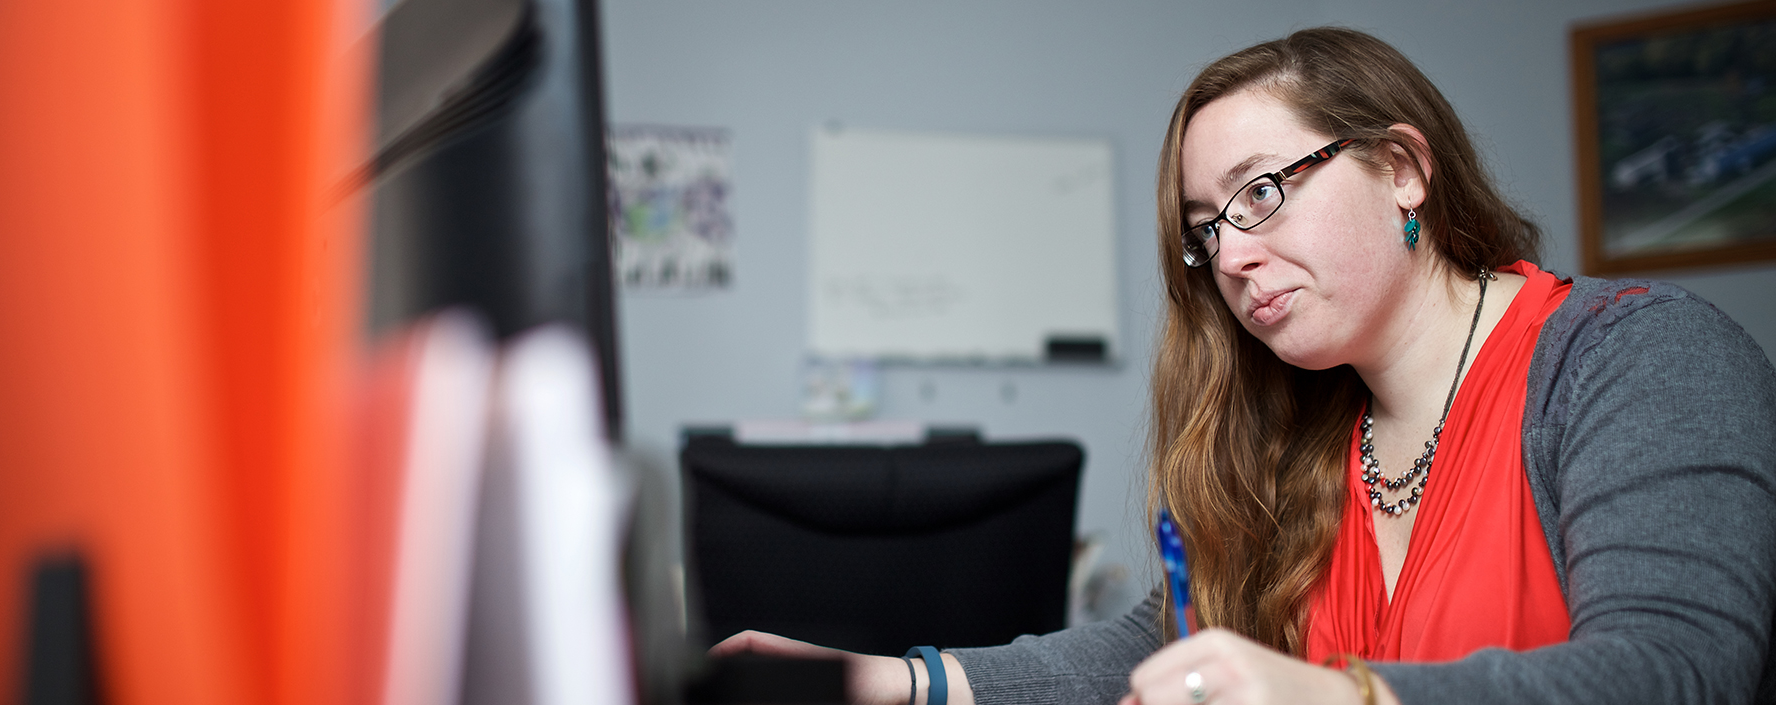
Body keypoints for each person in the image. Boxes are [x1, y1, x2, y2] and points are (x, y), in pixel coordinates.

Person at [711, 27, 1776, 705]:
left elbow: (1677, 669)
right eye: (1204, 228)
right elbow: (1172, 641)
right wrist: (895, 683)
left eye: (1260, 192)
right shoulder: (1310, 427)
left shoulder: (1637, 356)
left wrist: (1331, 698)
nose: (1230, 251)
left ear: (1402, 169)